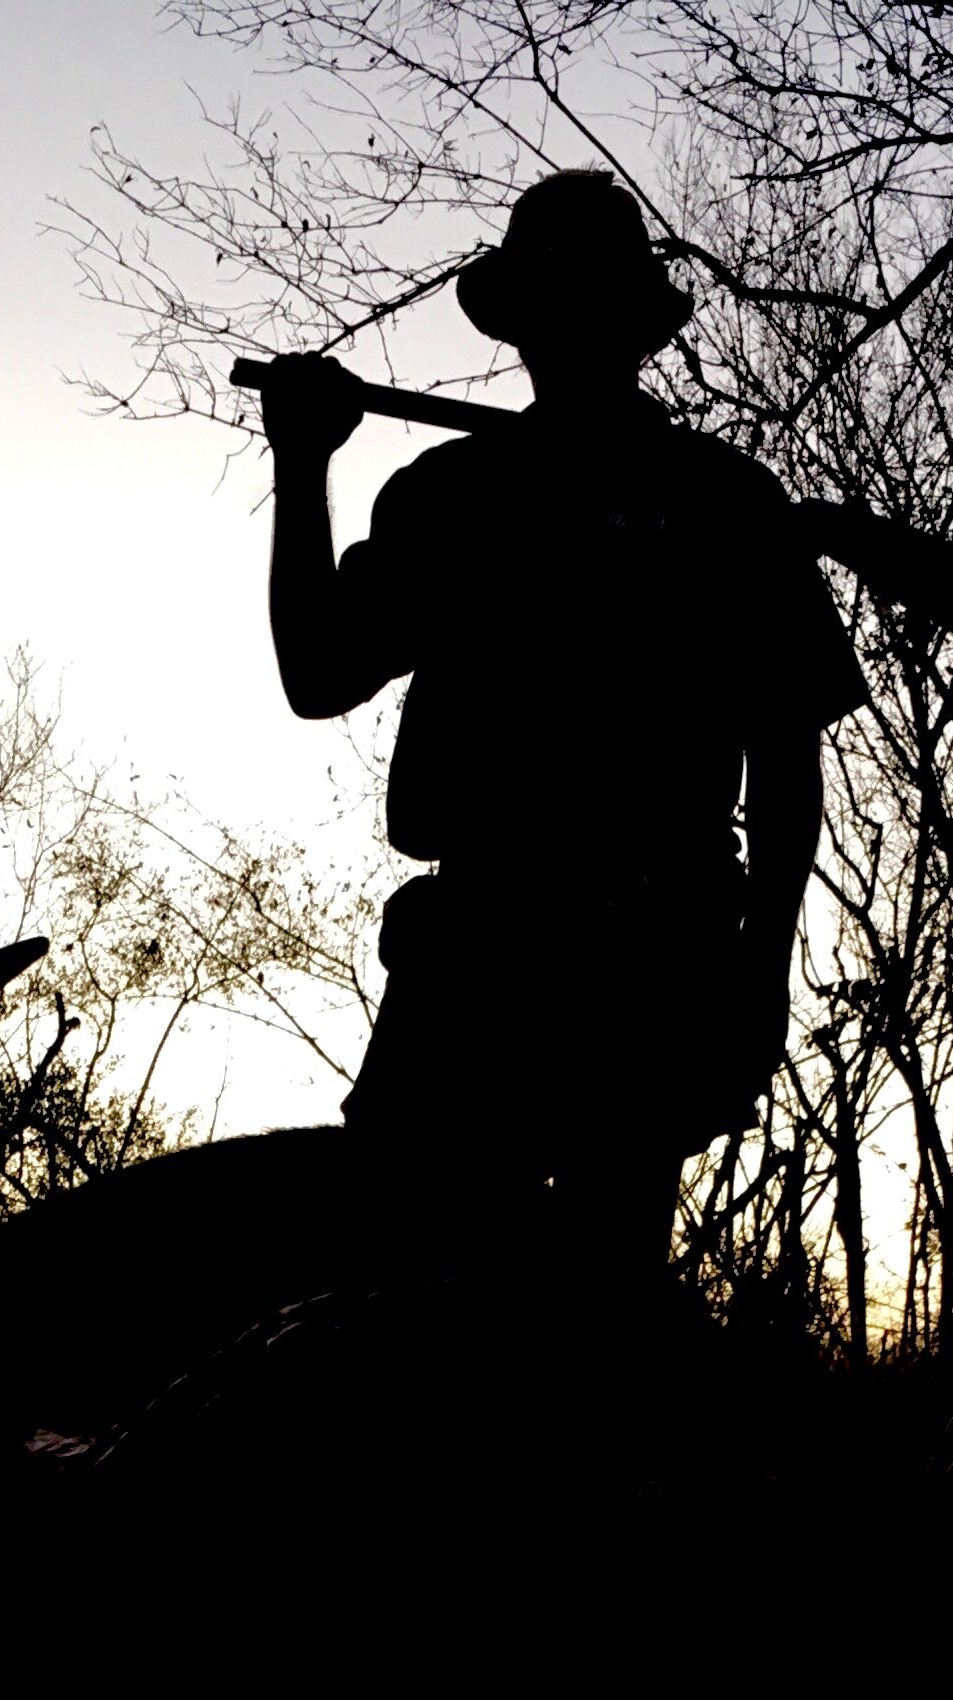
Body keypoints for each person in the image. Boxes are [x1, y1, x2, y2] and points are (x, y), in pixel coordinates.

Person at [259, 170, 869, 1283]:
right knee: (399, 1286)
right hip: (481, 950)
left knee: (588, 1312)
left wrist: (758, 974)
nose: (568, 331)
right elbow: (320, 673)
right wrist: (304, 468)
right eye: (553, 304)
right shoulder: (455, 496)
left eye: (589, 303)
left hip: (655, 954)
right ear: (525, 326)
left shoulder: (728, 504)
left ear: (628, 329)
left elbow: (787, 769)